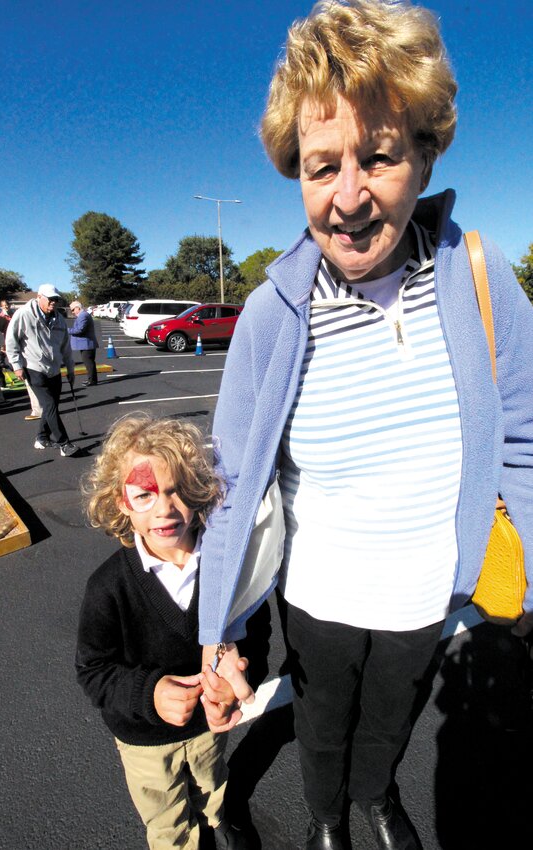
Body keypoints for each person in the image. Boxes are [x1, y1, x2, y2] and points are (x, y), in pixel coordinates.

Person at [197, 2, 533, 849]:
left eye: (378, 157)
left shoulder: (484, 282)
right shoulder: (276, 312)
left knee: (390, 722)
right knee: (321, 726)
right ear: (297, 172)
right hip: (317, 596)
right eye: (321, 167)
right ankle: (323, 820)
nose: (347, 197)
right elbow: (232, 482)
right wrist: (220, 630)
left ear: (423, 155)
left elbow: (524, 443)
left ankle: (377, 798)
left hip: (429, 592)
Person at [76, 414, 269, 850]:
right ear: (122, 503)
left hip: (208, 728)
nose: (164, 509)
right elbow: (93, 670)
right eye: (144, 495)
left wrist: (243, 678)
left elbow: (256, 634)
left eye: (178, 491)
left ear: (200, 490)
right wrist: (150, 693)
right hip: (144, 742)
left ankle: (219, 818)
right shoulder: (108, 587)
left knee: (213, 782)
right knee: (166, 816)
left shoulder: (226, 570)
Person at [5, 283, 79, 456]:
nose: (53, 302)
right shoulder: (23, 314)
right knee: (50, 405)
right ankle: (64, 443)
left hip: (54, 369)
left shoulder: (59, 318)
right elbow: (11, 340)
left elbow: (65, 346)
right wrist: (16, 365)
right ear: (39, 297)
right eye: (50, 299)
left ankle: (41, 437)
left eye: (56, 299)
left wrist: (70, 368)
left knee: (50, 406)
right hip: (33, 367)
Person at [68, 301, 99, 386]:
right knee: (89, 363)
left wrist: (66, 330)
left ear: (78, 308)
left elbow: (80, 330)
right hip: (86, 344)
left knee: (89, 363)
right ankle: (91, 379)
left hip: (87, 344)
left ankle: (92, 380)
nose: (73, 312)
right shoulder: (83, 315)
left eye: (73, 310)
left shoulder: (83, 316)